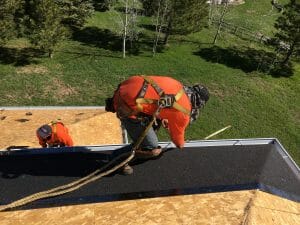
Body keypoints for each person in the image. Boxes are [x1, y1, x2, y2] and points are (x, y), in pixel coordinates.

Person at [105, 75, 209, 175]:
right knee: (152, 148)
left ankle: (141, 140)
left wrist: (163, 117)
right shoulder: (184, 113)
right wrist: (181, 142)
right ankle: (116, 159)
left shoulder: (177, 85)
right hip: (126, 106)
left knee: (155, 123)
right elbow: (178, 143)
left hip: (124, 88)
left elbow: (157, 98)